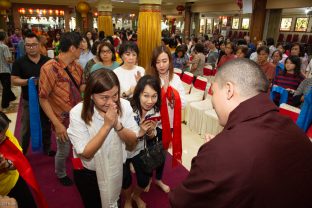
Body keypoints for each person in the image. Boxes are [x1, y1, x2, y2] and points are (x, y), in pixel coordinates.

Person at [169, 58, 312, 208]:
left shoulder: (221, 151)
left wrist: (212, 156)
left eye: (213, 91)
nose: (212, 99)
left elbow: (182, 202)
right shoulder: (295, 132)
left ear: (229, 90)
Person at [67, 69, 139, 208]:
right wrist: (107, 125)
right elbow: (86, 153)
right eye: (104, 97)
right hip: (89, 173)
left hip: (116, 166)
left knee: (114, 201)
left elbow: (132, 141)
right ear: (92, 95)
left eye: (115, 95)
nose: (111, 102)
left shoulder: (124, 105)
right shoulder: (77, 112)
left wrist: (117, 124)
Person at [39, 32, 84, 186]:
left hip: (79, 117)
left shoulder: (77, 67)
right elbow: (43, 98)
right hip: (61, 119)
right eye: (80, 48)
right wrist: (57, 124)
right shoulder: (49, 68)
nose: (82, 51)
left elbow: (82, 86)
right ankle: (61, 173)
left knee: (80, 146)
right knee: (63, 150)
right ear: (72, 48)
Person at [148, 46, 186, 193]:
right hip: (153, 124)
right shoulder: (151, 79)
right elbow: (145, 102)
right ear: (154, 63)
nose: (162, 65)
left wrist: (174, 100)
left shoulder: (175, 79)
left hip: (169, 124)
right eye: (158, 62)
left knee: (162, 153)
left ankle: (158, 178)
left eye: (164, 61)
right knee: (150, 152)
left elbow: (184, 102)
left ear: (170, 61)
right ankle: (147, 178)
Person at [11, 32, 54, 156]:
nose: (31, 47)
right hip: (28, 101)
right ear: (24, 46)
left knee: (46, 125)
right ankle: (22, 152)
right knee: (26, 128)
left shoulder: (48, 61)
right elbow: (14, 80)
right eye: (28, 45)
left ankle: (47, 148)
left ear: (39, 45)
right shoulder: (19, 62)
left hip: (46, 100)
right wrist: (28, 81)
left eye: (34, 45)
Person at [122, 75, 160, 208]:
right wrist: (140, 133)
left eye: (154, 96)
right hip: (123, 150)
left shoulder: (156, 111)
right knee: (125, 180)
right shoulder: (127, 107)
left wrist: (150, 133)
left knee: (144, 180)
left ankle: (135, 196)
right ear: (138, 94)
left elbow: (153, 134)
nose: (150, 101)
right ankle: (127, 200)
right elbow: (120, 132)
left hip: (140, 150)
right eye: (146, 95)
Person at [0, 111, 37, 208]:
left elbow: (18, 159)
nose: (4, 137)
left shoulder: (2, 130)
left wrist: (7, 164)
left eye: (5, 132)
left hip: (14, 181)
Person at [0, 31, 16, 109]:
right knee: (6, 87)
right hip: (4, 70)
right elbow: (8, 59)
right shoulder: (4, 47)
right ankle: (4, 104)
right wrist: (13, 60)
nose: (8, 38)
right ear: (4, 37)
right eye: (7, 36)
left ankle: (12, 97)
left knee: (5, 85)